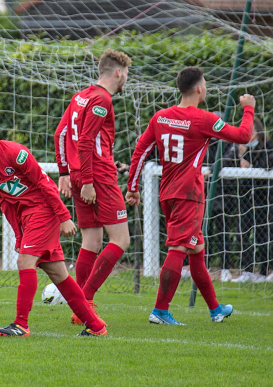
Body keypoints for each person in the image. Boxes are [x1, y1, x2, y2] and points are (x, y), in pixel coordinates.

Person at [126, 66, 255, 324]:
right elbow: (243, 135)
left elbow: (140, 151)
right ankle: (160, 310)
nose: (206, 88)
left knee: (196, 249)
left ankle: (215, 309)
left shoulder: (160, 117)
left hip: (168, 193)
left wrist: (132, 187)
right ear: (199, 89)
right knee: (179, 248)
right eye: (205, 84)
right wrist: (249, 108)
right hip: (189, 194)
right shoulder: (204, 119)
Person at [0, 110, 108, 337]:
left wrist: (64, 217)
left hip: (44, 212)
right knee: (58, 274)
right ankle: (96, 326)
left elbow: (45, 184)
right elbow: (6, 202)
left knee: (24, 261)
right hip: (27, 218)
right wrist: (19, 236)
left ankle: (21, 324)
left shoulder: (14, 152)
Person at [54, 48, 132, 324]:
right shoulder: (102, 99)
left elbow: (60, 133)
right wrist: (87, 181)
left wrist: (65, 171)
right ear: (118, 72)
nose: (126, 81)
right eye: (126, 75)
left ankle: (81, 306)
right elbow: (85, 140)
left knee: (92, 240)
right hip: (96, 177)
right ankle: (84, 303)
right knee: (121, 240)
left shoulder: (80, 96)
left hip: (78, 174)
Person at [221, 118, 273, 283]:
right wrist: (239, 154)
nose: (248, 135)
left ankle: (265, 272)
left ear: (258, 132)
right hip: (244, 198)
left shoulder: (267, 147)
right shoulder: (236, 147)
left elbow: (267, 164)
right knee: (242, 232)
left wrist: (249, 163)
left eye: (251, 131)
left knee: (263, 234)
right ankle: (248, 271)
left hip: (264, 198)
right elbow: (223, 164)